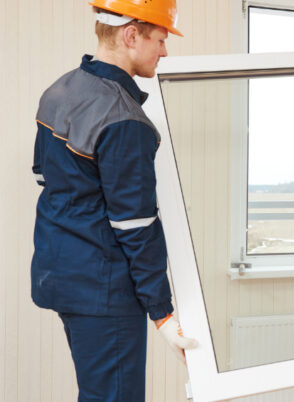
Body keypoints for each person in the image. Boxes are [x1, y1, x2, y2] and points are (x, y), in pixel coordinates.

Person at [31, 1, 195, 400]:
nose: (165, 51)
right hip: (104, 292)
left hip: (61, 279)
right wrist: (163, 314)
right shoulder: (124, 119)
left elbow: (44, 174)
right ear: (131, 34)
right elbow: (135, 226)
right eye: (160, 39)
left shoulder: (59, 91)